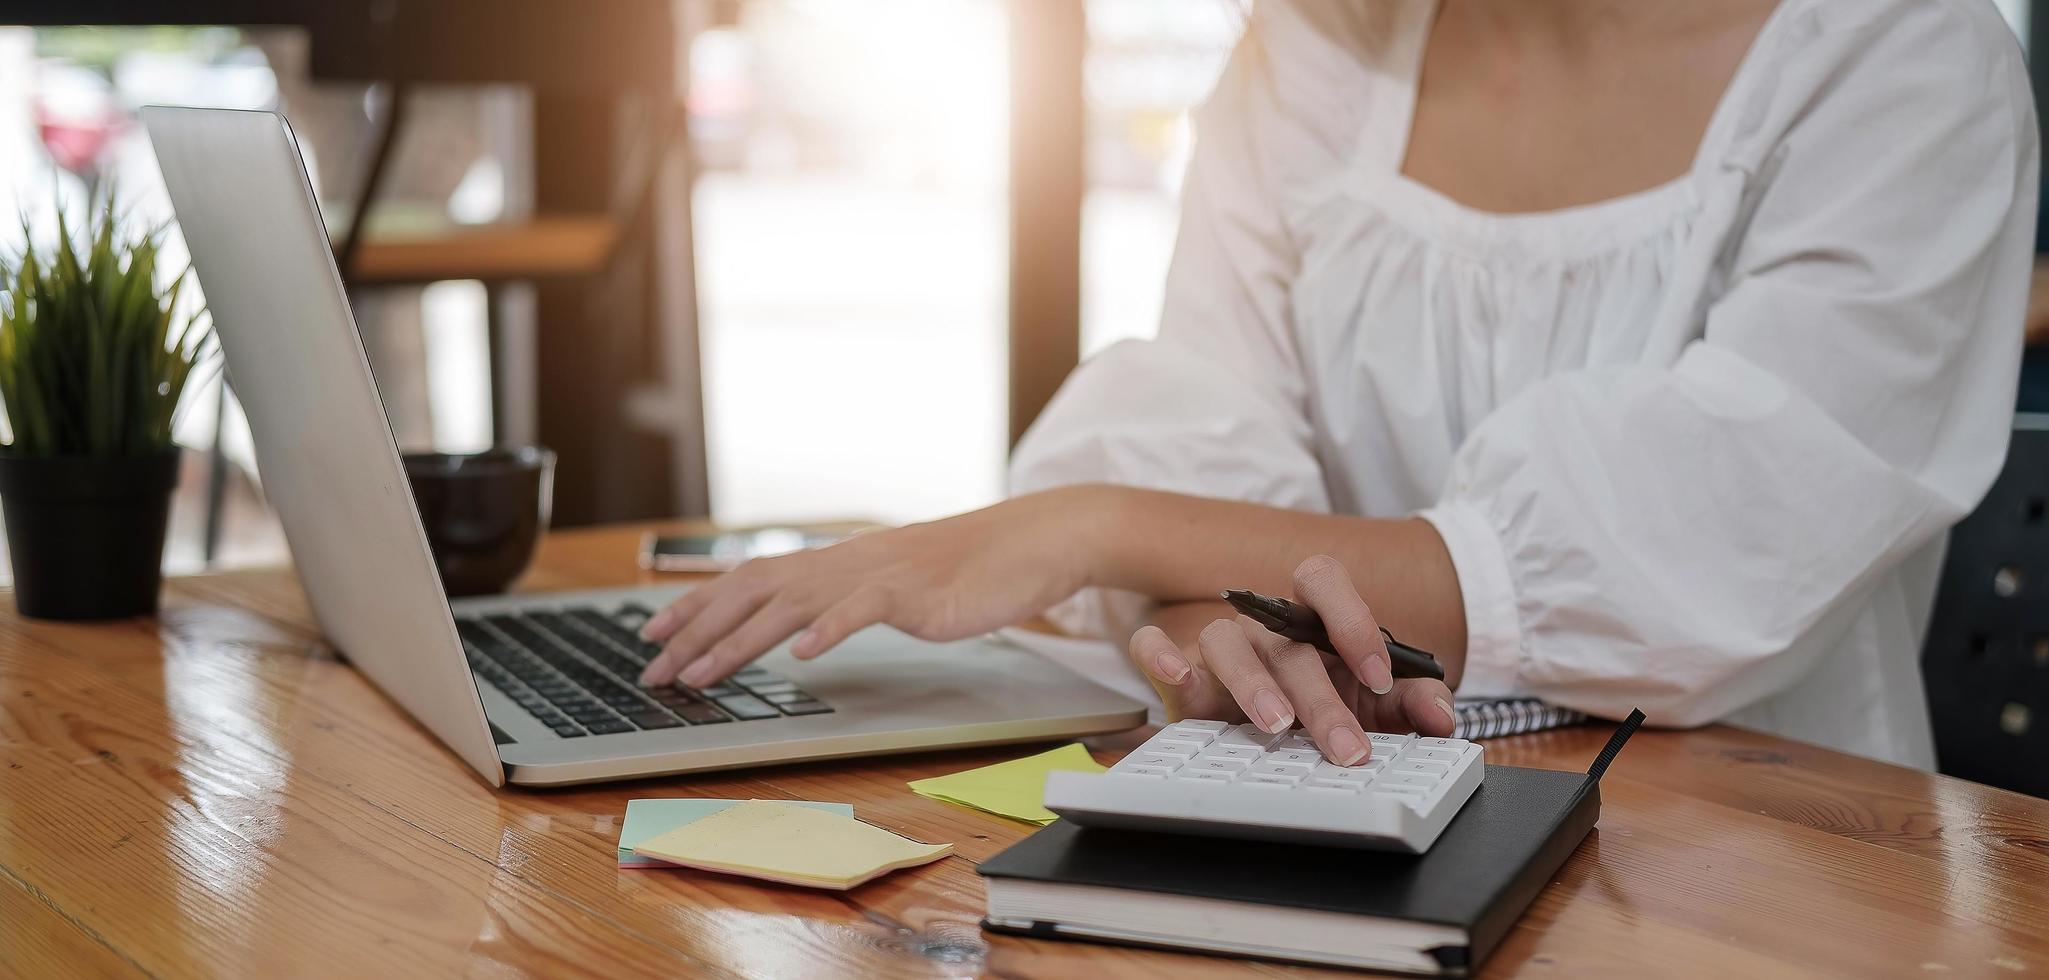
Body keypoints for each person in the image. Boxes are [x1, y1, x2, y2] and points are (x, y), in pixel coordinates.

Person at [639, 0, 2037, 769]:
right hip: (1316, 807)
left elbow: (1666, 556)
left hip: (1744, 871)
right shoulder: (1315, 44)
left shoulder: (1904, 57)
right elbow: (1212, 413)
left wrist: (1094, 530)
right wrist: (1225, 618)